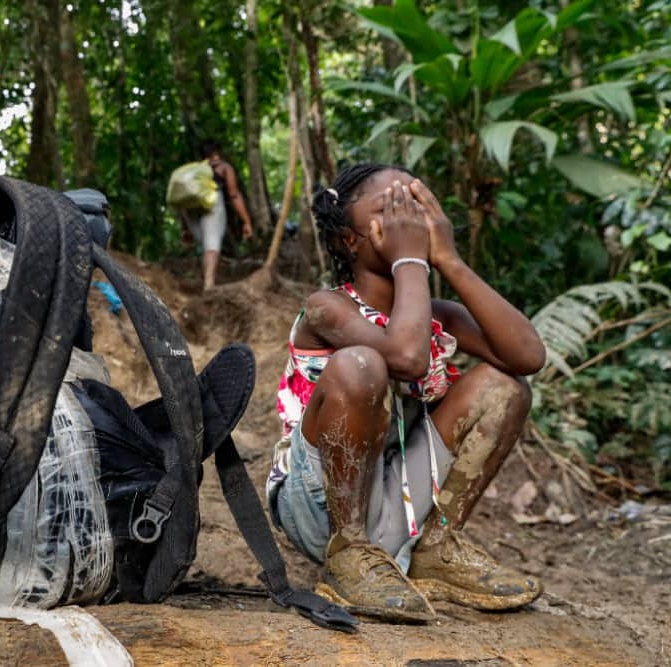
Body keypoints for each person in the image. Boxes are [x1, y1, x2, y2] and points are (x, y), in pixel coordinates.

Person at [266, 162, 547, 622]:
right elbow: (406, 358)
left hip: (401, 502)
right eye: (390, 209)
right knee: (362, 364)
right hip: (318, 506)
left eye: (417, 207)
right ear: (346, 239)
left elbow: (528, 356)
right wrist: (411, 260)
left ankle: (435, 548)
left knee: (503, 386)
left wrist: (449, 260)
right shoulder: (326, 309)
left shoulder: (441, 317)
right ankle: (348, 555)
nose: (407, 221)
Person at [178, 140, 254, 290]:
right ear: (217, 152)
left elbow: (182, 200)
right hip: (212, 203)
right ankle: (208, 284)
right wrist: (246, 221)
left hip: (190, 210)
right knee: (212, 244)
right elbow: (234, 195)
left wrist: (185, 228)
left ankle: (205, 279)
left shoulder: (193, 171)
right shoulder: (223, 167)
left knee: (206, 244)